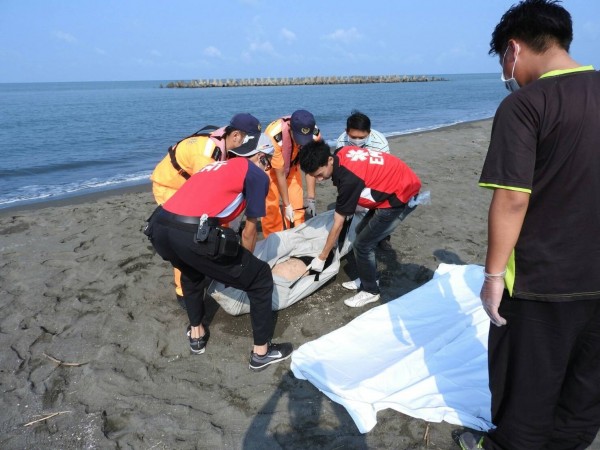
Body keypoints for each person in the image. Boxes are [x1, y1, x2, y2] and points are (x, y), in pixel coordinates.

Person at [459, 1, 600, 448]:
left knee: (526, 392)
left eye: (503, 58)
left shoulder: (526, 105)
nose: (507, 70)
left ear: (513, 49)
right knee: (585, 391)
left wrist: (493, 277)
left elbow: (512, 200)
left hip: (544, 281)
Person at [144, 134, 293, 371]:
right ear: (259, 156)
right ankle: (261, 353)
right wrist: (247, 265)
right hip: (188, 232)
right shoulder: (255, 175)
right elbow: (250, 230)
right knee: (261, 277)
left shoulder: (214, 166)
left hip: (159, 227)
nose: (267, 168)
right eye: (266, 162)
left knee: (190, 272)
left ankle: (197, 335)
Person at [150, 113, 261, 307]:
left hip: (186, 182)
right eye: (248, 143)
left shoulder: (224, 142)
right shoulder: (207, 155)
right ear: (235, 135)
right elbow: (206, 193)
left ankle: (209, 268)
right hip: (169, 186)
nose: (250, 150)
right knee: (185, 234)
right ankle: (183, 292)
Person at [298, 140, 421, 308]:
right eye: (314, 176)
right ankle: (368, 277)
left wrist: (322, 257)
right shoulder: (341, 151)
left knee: (363, 245)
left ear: (329, 160)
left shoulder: (348, 180)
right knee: (360, 230)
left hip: (401, 196)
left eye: (320, 174)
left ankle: (371, 291)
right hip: (395, 182)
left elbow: (338, 223)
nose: (319, 180)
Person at [337, 110, 393, 254]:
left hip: (376, 174)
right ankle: (348, 229)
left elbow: (383, 172)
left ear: (369, 132)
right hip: (353, 173)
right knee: (349, 205)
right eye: (353, 136)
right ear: (346, 131)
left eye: (361, 137)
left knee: (380, 206)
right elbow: (342, 169)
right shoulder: (342, 141)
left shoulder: (380, 143)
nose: (356, 140)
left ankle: (383, 237)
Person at [262, 110, 321, 237]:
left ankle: (296, 240)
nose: (302, 143)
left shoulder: (315, 134)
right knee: (271, 211)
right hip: (271, 170)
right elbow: (280, 172)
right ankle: (272, 242)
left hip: (293, 167)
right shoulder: (274, 136)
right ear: (291, 129)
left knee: (297, 208)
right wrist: (286, 204)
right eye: (300, 138)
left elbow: (311, 167)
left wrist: (311, 199)